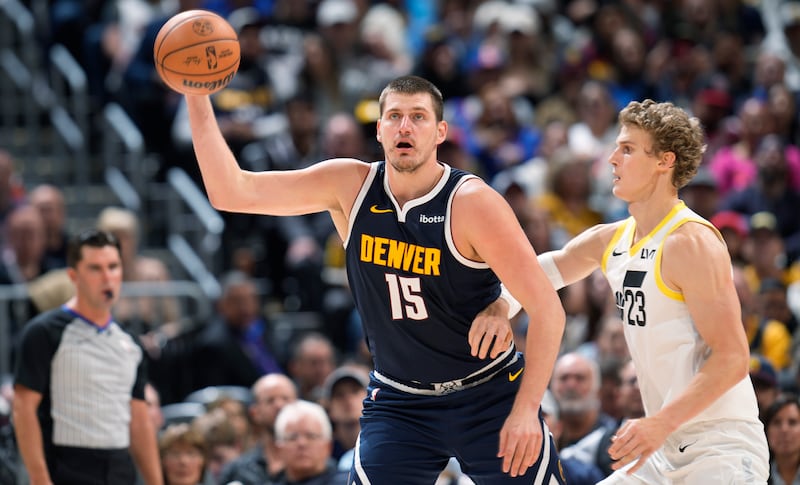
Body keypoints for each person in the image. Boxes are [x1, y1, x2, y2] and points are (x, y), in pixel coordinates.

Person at [184, 75, 566, 482]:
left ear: (439, 132)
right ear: (380, 130)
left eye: (418, 117)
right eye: (395, 116)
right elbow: (231, 192)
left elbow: (548, 311)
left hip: (486, 394)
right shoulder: (349, 186)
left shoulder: (472, 203)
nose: (405, 127)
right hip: (401, 401)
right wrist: (195, 95)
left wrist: (526, 410)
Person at [519, 99, 769, 482]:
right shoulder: (615, 239)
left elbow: (733, 358)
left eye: (628, 149)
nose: (612, 159)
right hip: (664, 447)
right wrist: (492, 306)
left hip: (721, 446)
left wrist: (658, 424)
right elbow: (545, 270)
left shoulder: (689, 241)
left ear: (664, 162)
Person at [12, 229, 162, 485]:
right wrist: (39, 479)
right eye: (95, 268)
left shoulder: (130, 343)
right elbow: (23, 409)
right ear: (74, 275)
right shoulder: (44, 332)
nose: (107, 277)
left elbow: (139, 422)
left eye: (113, 267)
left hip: (119, 470)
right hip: (65, 468)